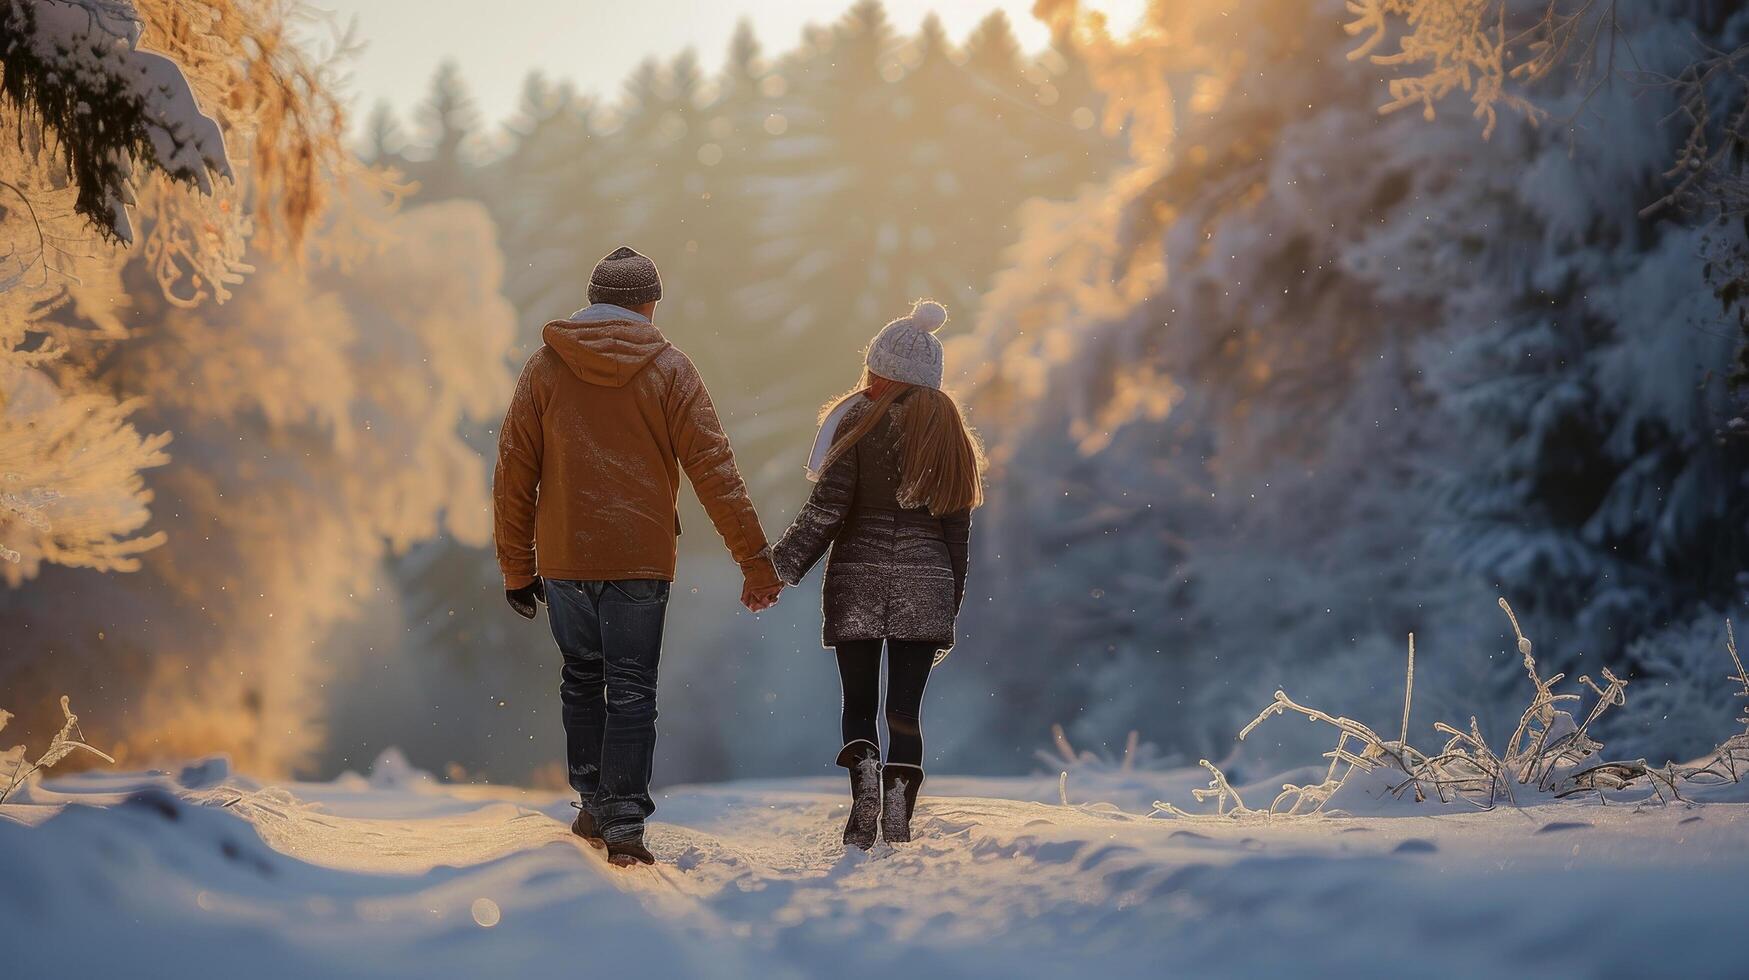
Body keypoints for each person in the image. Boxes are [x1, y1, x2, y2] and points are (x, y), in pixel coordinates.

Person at [493, 246, 783, 867]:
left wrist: (518, 566)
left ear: (592, 297)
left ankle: (594, 801)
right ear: (650, 304)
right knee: (630, 688)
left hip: (566, 556)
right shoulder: (670, 369)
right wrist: (755, 562)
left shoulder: (545, 369)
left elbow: (515, 472)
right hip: (641, 557)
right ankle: (623, 820)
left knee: (582, 678)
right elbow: (715, 471)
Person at [771, 299, 985, 849]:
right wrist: (947, 607)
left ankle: (863, 782)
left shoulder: (860, 427)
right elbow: (957, 537)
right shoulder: (950, 438)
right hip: (926, 580)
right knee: (905, 710)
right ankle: (899, 809)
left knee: (859, 701)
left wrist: (776, 569)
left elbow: (826, 512)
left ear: (882, 371)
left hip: (857, 579)